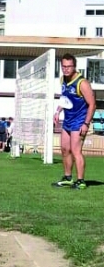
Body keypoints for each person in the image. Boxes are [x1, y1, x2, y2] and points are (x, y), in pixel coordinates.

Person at [52, 53, 95, 190]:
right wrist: (58, 111)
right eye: (64, 66)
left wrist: (86, 124)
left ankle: (81, 181)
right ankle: (68, 177)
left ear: (74, 66)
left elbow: (92, 104)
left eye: (69, 67)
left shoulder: (82, 83)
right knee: (64, 149)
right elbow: (65, 98)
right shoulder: (62, 79)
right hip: (68, 120)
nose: (66, 69)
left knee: (76, 151)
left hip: (79, 121)